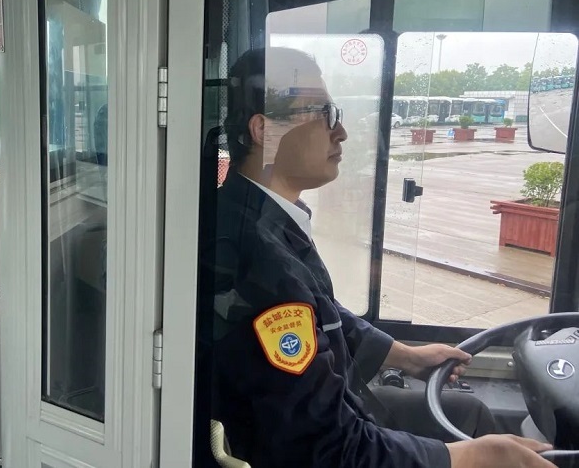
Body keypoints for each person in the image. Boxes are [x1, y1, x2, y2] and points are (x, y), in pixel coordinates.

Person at [200, 46, 555, 468]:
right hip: (324, 445)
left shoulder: (260, 217)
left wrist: (404, 355)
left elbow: (320, 314)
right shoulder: (255, 259)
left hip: (337, 412)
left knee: (471, 413)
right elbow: (329, 451)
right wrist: (477, 457)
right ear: (264, 130)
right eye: (324, 114)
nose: (341, 132)